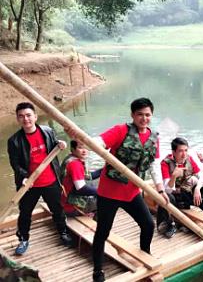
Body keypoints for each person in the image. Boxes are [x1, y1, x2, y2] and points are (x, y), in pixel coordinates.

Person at [67, 98, 165, 282]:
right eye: (140, 115)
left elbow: (154, 165)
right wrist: (79, 138)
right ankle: (97, 271)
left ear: (151, 115)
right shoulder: (121, 130)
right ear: (132, 115)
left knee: (148, 224)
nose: (144, 118)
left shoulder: (154, 137)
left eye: (147, 115)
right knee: (103, 231)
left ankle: (145, 254)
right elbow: (98, 143)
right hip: (109, 193)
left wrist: (160, 190)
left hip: (132, 192)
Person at [7, 102, 73, 256]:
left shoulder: (48, 131)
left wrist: (61, 144)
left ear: (35, 117)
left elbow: (55, 145)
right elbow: (15, 163)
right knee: (25, 213)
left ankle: (63, 232)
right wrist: (23, 177)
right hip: (29, 184)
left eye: (29, 115)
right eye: (21, 116)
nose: (26, 119)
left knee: (57, 209)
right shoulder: (14, 141)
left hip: (51, 180)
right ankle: (23, 239)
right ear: (18, 119)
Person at [158, 137, 203, 239]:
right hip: (175, 196)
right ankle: (169, 225)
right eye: (180, 151)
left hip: (187, 192)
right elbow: (167, 189)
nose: (184, 154)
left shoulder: (189, 159)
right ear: (173, 152)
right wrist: (174, 176)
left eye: (186, 150)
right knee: (167, 197)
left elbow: (202, 175)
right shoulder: (165, 163)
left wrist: (197, 188)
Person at [60, 140, 101, 217]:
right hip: (70, 207)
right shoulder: (75, 164)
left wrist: (104, 170)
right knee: (106, 200)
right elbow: (81, 188)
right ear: (73, 149)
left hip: (64, 201)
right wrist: (100, 192)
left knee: (94, 187)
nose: (84, 151)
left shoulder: (70, 158)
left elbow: (89, 176)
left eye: (86, 148)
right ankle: (95, 222)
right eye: (80, 148)